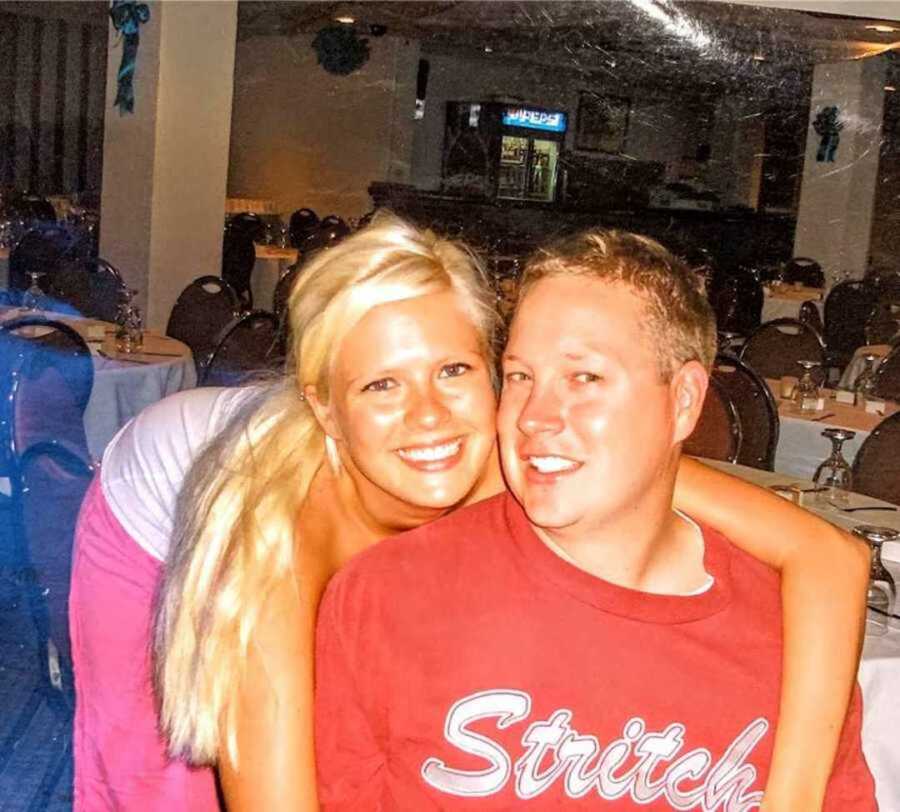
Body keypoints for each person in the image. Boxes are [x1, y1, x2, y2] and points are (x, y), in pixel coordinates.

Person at [70, 214, 867, 812]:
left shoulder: (511, 442)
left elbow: (832, 556)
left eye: (455, 369)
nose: (429, 420)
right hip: (156, 511)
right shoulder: (275, 555)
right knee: (160, 776)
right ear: (325, 405)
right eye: (382, 383)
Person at [314, 229, 875, 810]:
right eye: (523, 377)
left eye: (584, 378)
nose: (535, 417)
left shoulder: (796, 636)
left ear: (683, 400)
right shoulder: (388, 598)